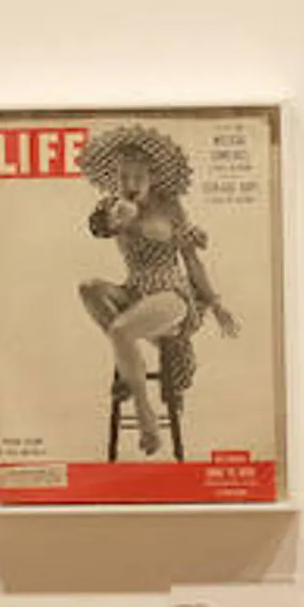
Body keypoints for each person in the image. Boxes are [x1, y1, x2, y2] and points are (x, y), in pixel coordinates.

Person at [75, 125, 241, 458]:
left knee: (121, 330)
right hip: (134, 289)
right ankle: (129, 364)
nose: (130, 184)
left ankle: (145, 413)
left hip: (171, 294)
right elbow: (96, 227)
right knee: (89, 288)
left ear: (152, 177)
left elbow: (190, 260)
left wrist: (217, 303)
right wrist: (114, 220)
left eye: (137, 176)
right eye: (123, 177)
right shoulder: (112, 206)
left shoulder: (170, 208)